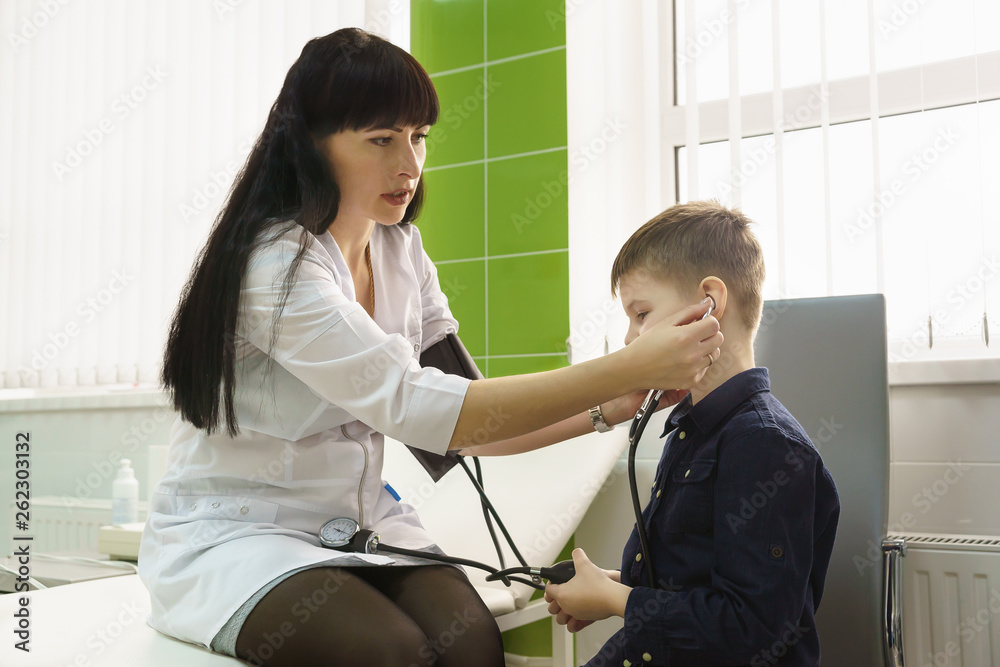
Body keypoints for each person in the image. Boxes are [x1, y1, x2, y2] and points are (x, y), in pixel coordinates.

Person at [138, 28, 723, 667]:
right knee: (389, 652)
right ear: (310, 146)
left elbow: (467, 427)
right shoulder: (275, 266)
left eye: (418, 137)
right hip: (240, 533)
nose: (410, 164)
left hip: (357, 529)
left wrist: (615, 403)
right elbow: (417, 403)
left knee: (471, 643)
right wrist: (627, 364)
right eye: (382, 139)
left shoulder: (401, 252)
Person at [542, 201, 841, 666]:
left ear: (710, 302)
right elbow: (694, 578)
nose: (628, 339)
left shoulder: (763, 445)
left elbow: (752, 627)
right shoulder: (691, 426)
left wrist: (616, 602)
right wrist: (613, 585)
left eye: (641, 313)